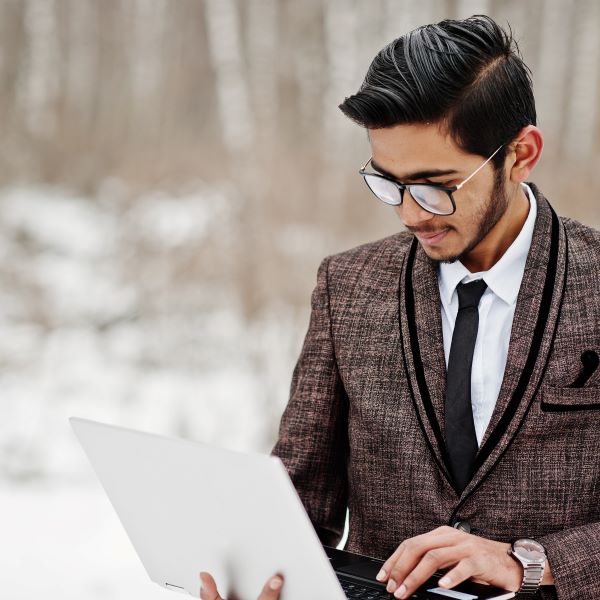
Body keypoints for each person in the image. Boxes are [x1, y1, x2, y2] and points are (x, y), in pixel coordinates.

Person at [199, 15, 600, 600]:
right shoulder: (349, 285)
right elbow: (300, 499)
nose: (411, 214)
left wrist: (529, 563)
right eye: (389, 183)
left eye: (436, 184)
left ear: (521, 154)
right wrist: (257, 573)